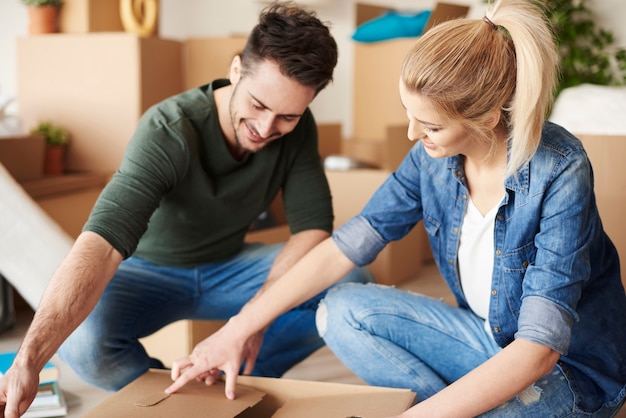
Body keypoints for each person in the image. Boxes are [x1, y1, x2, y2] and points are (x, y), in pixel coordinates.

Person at [162, 0, 626, 416]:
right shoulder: (434, 155)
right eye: (409, 114)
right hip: (487, 339)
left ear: (486, 118)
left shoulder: (559, 171)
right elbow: (347, 246)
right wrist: (236, 329)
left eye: (429, 126)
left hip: (566, 371)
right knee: (339, 307)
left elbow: (538, 350)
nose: (412, 135)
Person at [0, 2, 374, 416]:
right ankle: (181, 395)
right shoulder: (169, 129)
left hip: (230, 266)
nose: (267, 129)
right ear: (236, 71)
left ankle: (241, 380)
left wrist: (248, 324)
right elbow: (102, 244)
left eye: (287, 116)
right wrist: (27, 361)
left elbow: (312, 231)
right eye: (258, 105)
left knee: (350, 279)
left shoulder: (298, 130)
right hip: (148, 272)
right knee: (83, 346)